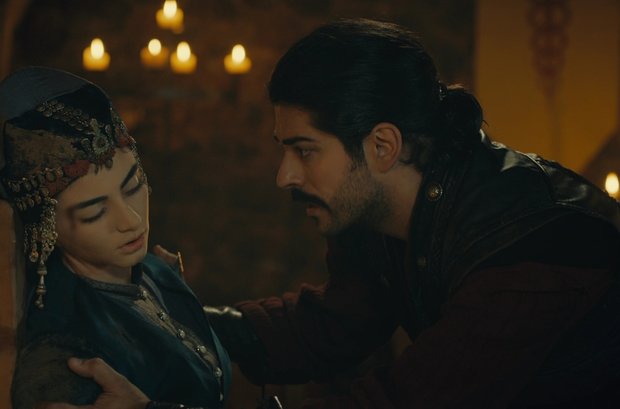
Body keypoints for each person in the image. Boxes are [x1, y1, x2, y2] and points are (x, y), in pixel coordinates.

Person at [44, 18, 620, 409]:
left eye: (305, 151)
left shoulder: (532, 247)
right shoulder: (377, 213)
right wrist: (169, 317)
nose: (285, 176)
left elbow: (407, 401)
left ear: (382, 146)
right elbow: (328, 328)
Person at [0, 67, 231, 409]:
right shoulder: (63, 351)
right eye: (94, 212)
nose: (131, 221)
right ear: (47, 228)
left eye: (133, 187)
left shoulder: (154, 271)